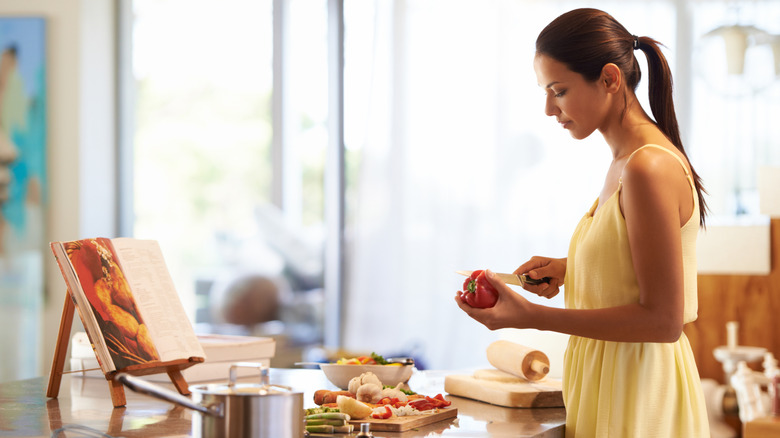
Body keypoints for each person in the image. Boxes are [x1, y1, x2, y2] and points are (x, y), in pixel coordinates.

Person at [455, 8, 710, 437]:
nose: (548, 109)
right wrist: (570, 267)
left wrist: (533, 315)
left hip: (639, 391)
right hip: (610, 380)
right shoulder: (626, 162)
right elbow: (636, 264)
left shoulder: (647, 167)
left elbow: (663, 321)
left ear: (610, 79)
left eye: (559, 90)